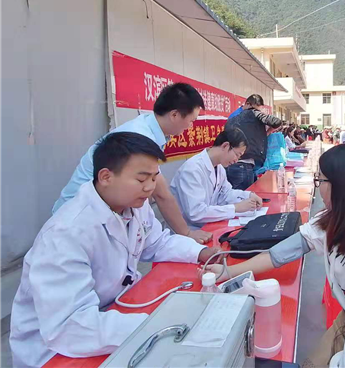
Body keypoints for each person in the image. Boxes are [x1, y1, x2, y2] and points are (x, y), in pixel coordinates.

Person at [10, 133, 219, 368]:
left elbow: (157, 243)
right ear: (106, 177)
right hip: (55, 349)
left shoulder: (134, 205)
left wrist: (199, 253)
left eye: (154, 178)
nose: (150, 187)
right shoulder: (66, 234)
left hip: (112, 313)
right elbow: (70, 327)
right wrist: (159, 322)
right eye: (142, 179)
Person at [206, 145, 345, 368]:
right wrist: (228, 271)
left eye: (320, 181)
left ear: (341, 184)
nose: (319, 188)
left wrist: (343, 362)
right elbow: (281, 253)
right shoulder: (334, 219)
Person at [52, 83, 212, 244]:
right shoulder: (141, 136)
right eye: (191, 120)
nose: (191, 126)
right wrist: (187, 233)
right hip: (79, 219)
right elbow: (162, 195)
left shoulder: (150, 128)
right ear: (175, 115)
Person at [170, 128, 263, 227]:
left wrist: (248, 195)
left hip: (208, 224)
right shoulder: (192, 170)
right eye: (237, 155)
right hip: (191, 229)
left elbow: (226, 193)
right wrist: (235, 208)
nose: (236, 160)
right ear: (225, 146)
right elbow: (196, 212)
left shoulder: (219, 168)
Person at [225, 94, 283, 189]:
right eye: (255, 110)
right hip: (242, 163)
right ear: (248, 104)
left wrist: (266, 132)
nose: (256, 112)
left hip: (238, 164)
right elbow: (276, 122)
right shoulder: (245, 115)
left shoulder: (236, 118)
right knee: (244, 195)